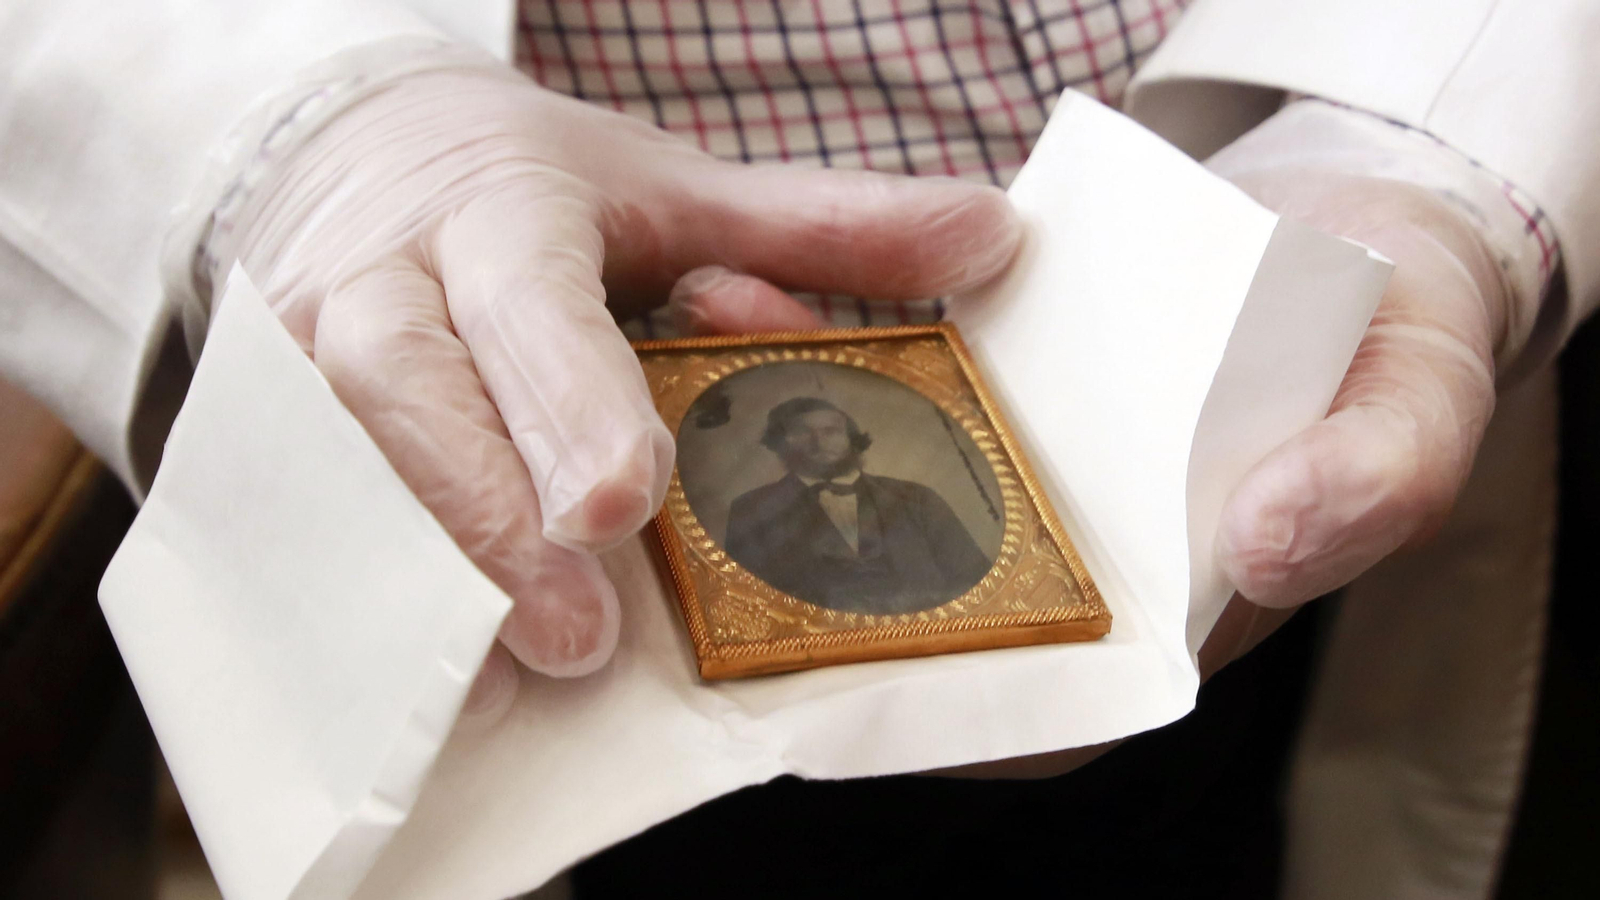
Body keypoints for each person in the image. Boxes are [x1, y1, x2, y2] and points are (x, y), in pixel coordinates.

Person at [3, 2, 1597, 898]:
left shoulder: (925, 498)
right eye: (814, 424)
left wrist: (1424, 142)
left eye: (836, 423)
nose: (824, 430)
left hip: (1244, 439)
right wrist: (300, 137)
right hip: (529, 492)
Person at [724, 397, 991, 614]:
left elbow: (974, 577)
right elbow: (751, 600)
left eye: (831, 431)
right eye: (802, 433)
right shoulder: (753, 508)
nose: (819, 442)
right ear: (778, 443)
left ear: (852, 438)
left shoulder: (916, 498)